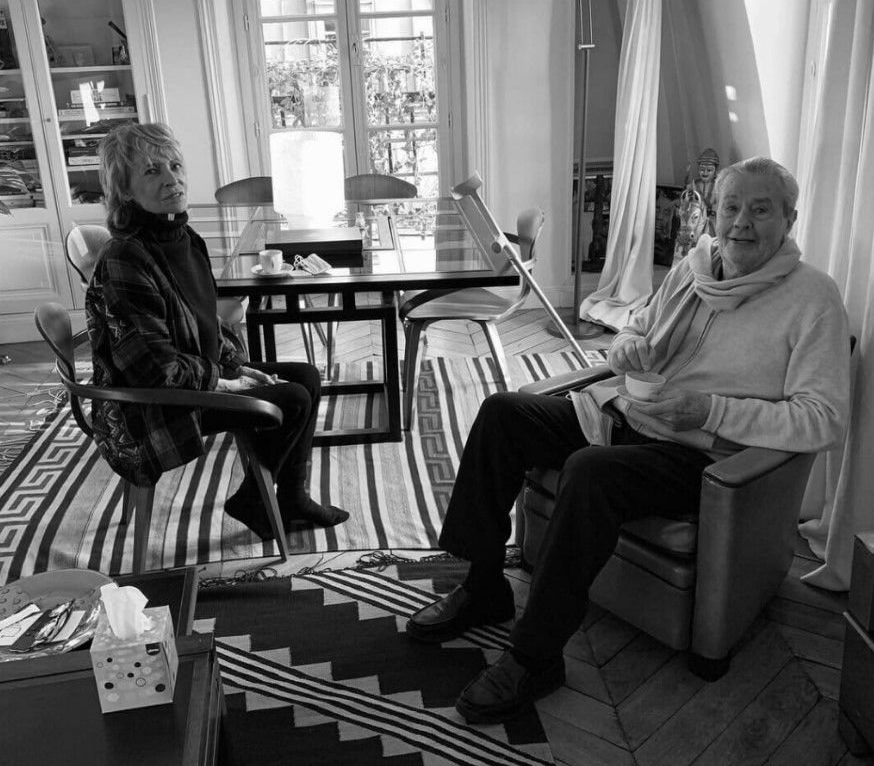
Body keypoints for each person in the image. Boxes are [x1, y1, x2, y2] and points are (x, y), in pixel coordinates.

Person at [405, 156, 850, 724]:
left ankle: (535, 657)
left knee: (591, 470)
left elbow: (823, 419)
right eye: (730, 208)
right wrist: (627, 349)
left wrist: (711, 410)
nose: (741, 222)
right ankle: (484, 583)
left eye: (760, 210)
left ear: (789, 219)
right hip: (626, 414)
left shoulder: (814, 298)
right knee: (503, 413)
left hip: (699, 455)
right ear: (714, 216)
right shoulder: (694, 269)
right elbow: (633, 331)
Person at [85, 122, 349, 539]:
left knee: (305, 376)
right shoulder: (125, 258)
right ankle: (253, 499)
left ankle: (291, 498)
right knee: (293, 398)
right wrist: (226, 383)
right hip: (151, 404)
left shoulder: (185, 238)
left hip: (191, 377)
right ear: (125, 191)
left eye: (175, 166)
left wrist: (237, 366)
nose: (171, 179)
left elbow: (206, 324)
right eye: (152, 171)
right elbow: (156, 372)